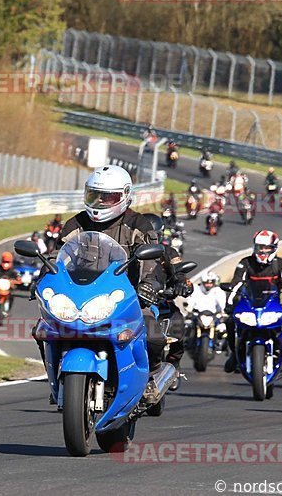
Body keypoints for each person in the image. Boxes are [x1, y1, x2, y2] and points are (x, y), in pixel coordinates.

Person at [34, 165, 166, 399]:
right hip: (79, 297)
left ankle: (151, 377)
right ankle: (55, 375)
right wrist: (45, 278)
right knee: (43, 330)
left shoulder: (139, 226)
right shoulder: (76, 224)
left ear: (124, 196)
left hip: (126, 298)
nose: (101, 203)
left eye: (109, 198)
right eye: (96, 196)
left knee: (153, 333)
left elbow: (151, 261)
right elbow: (57, 256)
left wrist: (148, 285)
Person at [224, 230, 282, 375]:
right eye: (260, 247)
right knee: (229, 321)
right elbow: (236, 283)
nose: (263, 251)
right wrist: (229, 305)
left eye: (267, 248)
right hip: (249, 304)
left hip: (272, 305)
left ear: (274, 248)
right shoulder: (245, 263)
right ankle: (234, 353)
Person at [143, 213, 193, 390]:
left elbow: (180, 272)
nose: (148, 239)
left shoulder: (168, 253)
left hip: (160, 301)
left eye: (152, 235)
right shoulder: (127, 252)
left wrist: (182, 284)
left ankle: (173, 364)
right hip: (130, 302)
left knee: (178, 324)